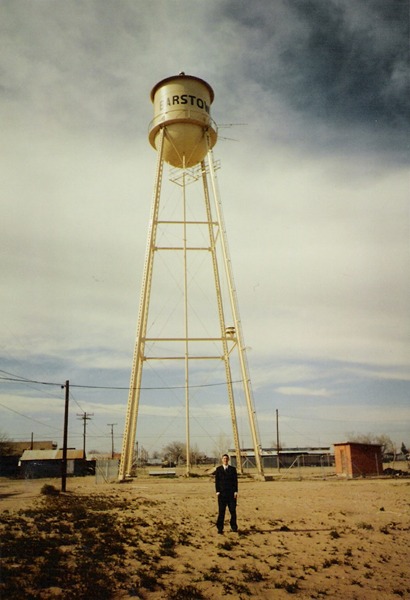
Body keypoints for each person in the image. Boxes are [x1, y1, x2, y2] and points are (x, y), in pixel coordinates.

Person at [215, 453, 238, 534]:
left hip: (231, 494)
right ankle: (220, 528)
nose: (225, 460)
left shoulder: (232, 469)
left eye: (226, 459)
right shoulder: (218, 469)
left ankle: (234, 527)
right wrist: (217, 491)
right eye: (224, 458)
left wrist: (236, 491)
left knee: (233, 511)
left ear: (228, 460)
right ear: (222, 460)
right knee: (221, 512)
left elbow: (235, 481)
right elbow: (217, 481)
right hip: (222, 494)